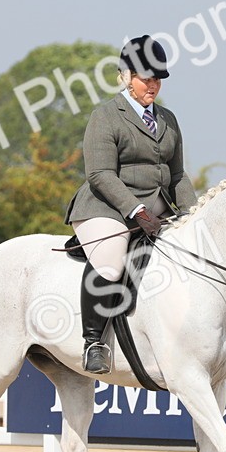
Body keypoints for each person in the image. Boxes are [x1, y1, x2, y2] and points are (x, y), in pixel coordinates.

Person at [64, 35, 198, 374]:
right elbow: (99, 174)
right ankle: (94, 341)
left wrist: (194, 216)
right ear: (125, 76)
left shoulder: (168, 118)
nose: (152, 85)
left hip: (157, 208)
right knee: (110, 261)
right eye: (145, 78)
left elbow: (178, 174)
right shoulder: (106, 116)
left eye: (157, 78)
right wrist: (136, 211)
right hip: (106, 206)